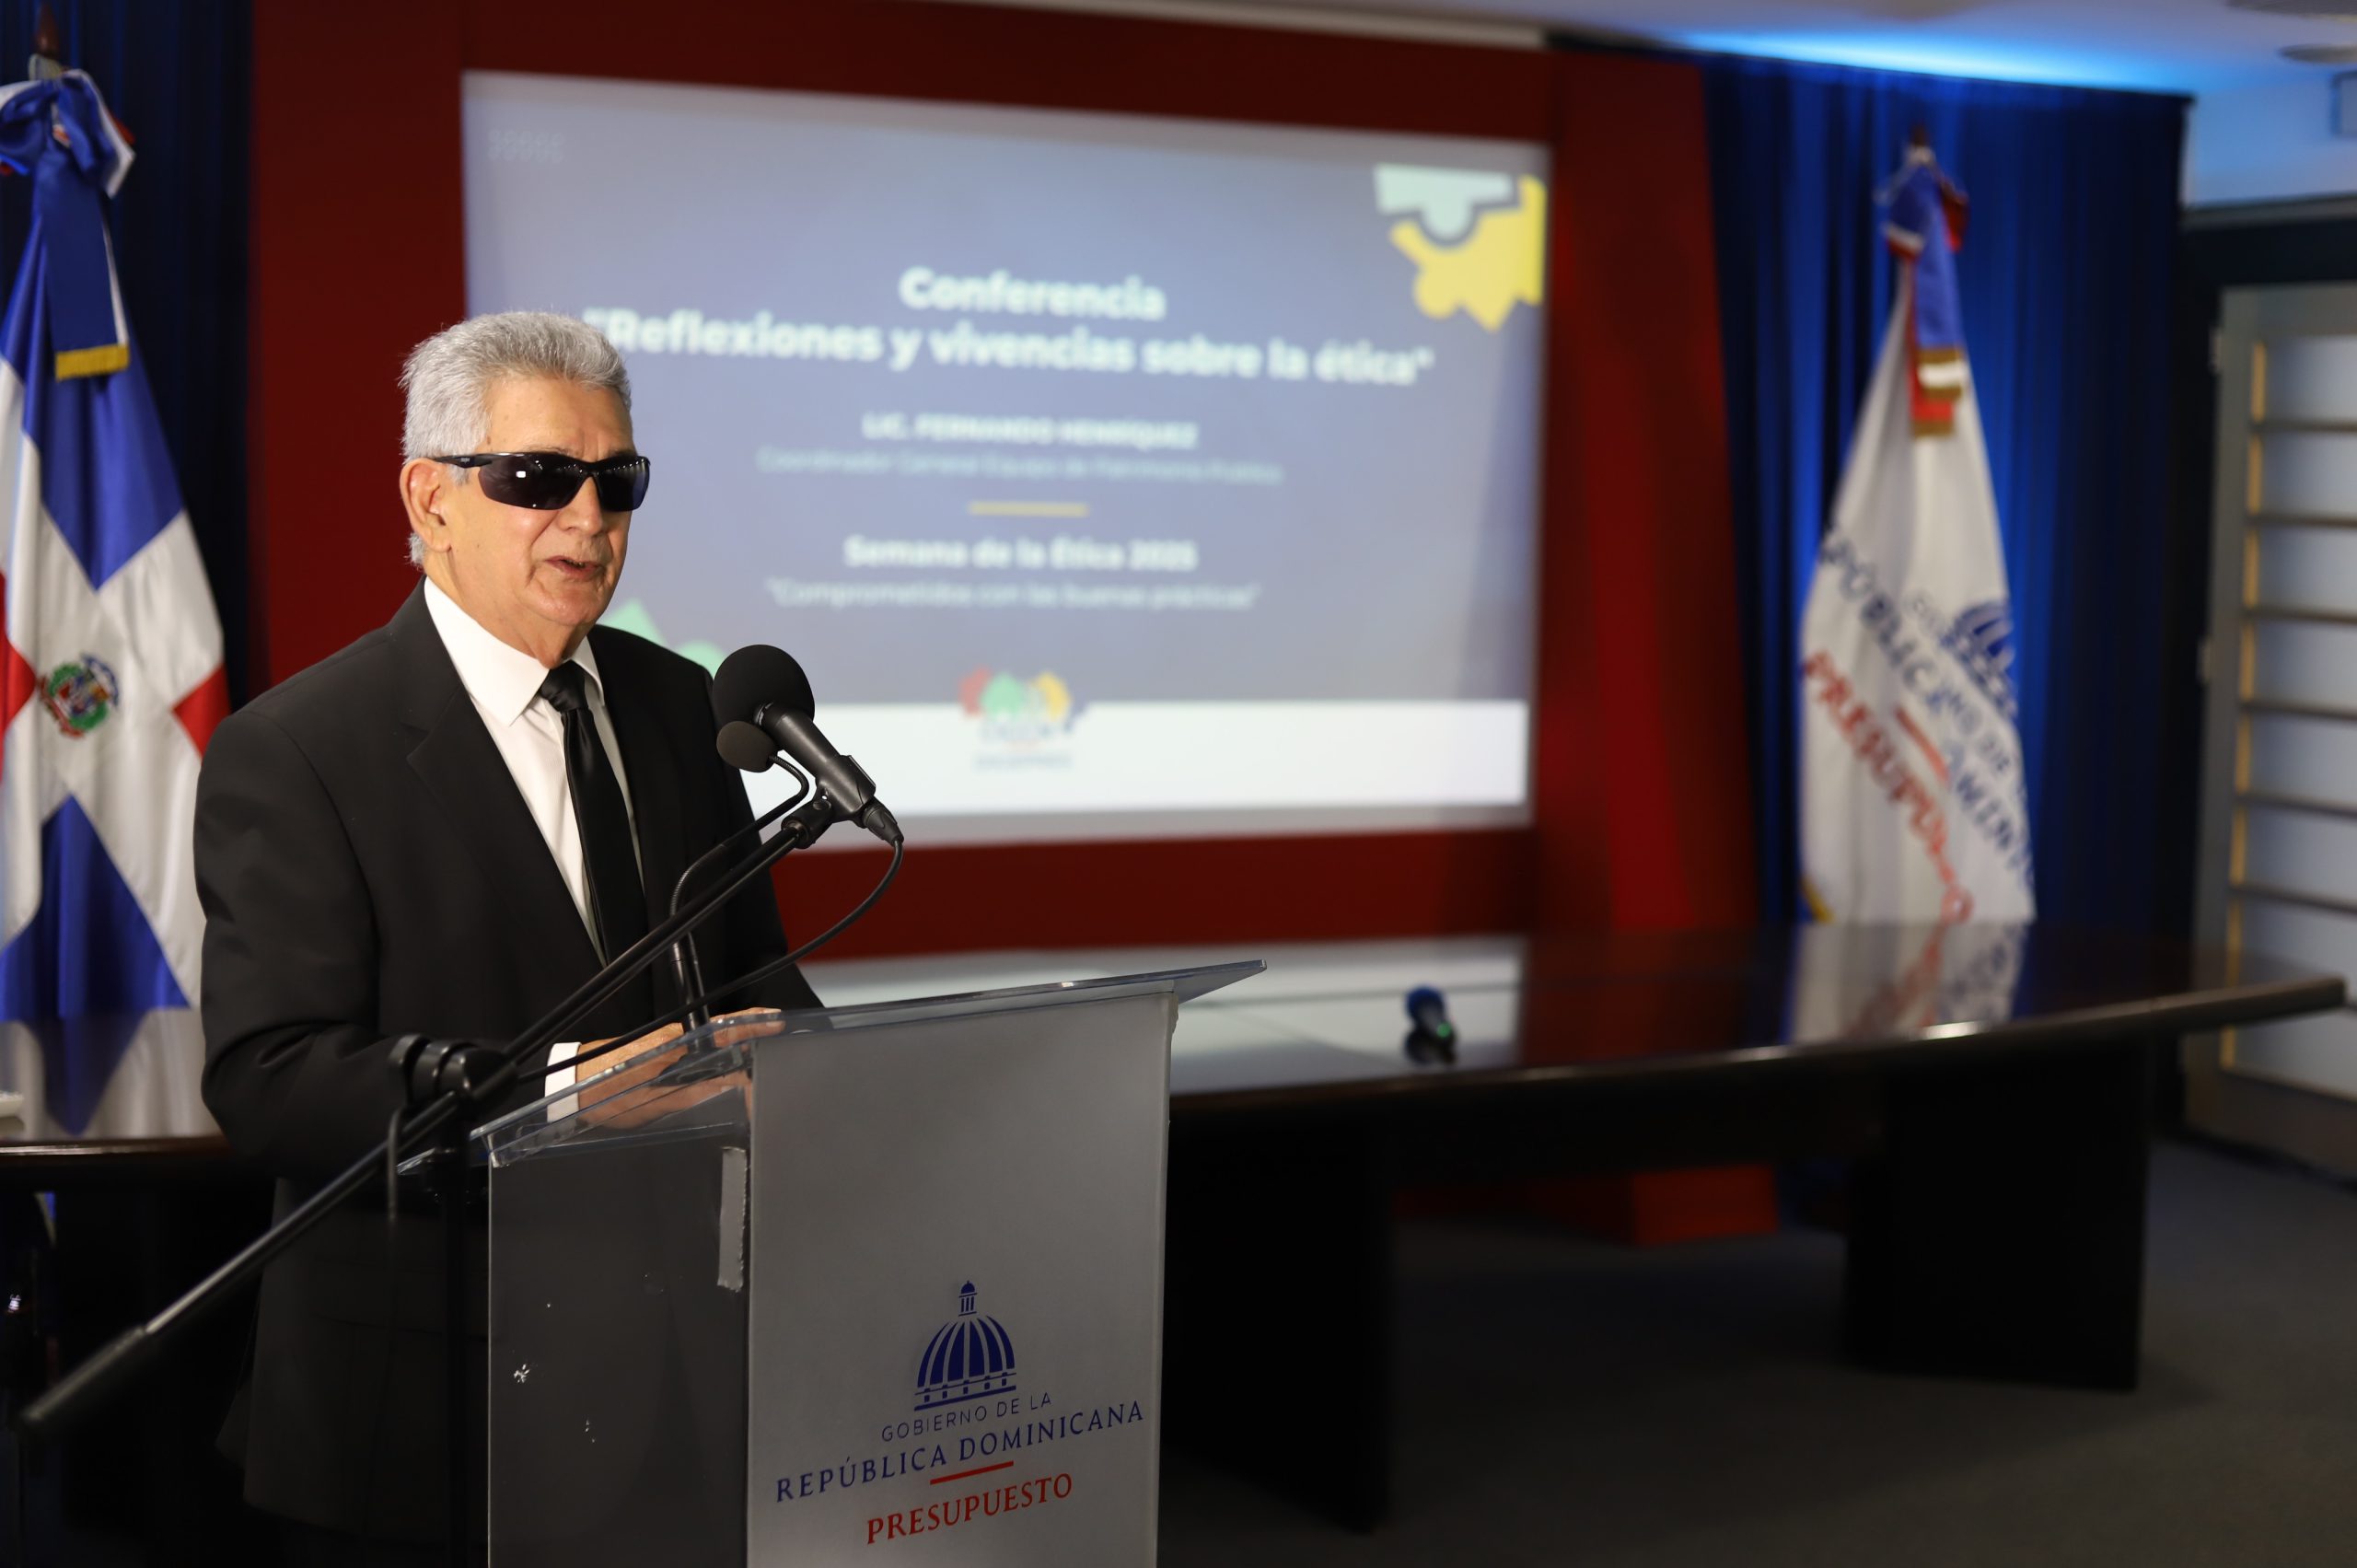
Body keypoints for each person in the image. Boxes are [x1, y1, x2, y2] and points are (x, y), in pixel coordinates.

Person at [195, 312, 818, 1562]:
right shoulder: (299, 748)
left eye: (617, 481)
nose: (588, 518)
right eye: (539, 478)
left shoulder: (684, 704)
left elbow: (757, 980)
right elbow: (271, 1079)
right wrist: (569, 1092)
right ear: (430, 500)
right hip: (437, 1401)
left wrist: (827, 1079)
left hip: (688, 1378)